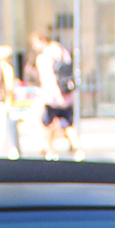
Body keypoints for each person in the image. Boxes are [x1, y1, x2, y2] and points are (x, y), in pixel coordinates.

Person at [32, 31, 80, 159]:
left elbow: (47, 79)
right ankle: (77, 148)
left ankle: (50, 150)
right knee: (68, 123)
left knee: (47, 123)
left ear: (42, 41)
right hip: (67, 95)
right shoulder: (63, 52)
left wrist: (51, 95)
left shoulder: (43, 57)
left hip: (52, 97)